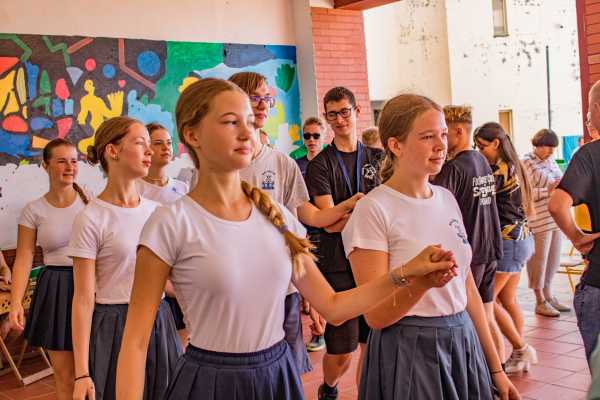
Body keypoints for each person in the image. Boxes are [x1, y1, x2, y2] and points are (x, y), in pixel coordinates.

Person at [113, 78, 458, 400]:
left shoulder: (276, 216)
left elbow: (334, 307)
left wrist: (408, 274)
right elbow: (136, 342)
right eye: (231, 122)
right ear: (192, 135)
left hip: (277, 374)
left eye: (250, 121)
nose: (247, 132)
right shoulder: (170, 223)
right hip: (211, 381)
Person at [345, 94, 520, 400]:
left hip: (461, 339)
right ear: (395, 145)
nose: (441, 145)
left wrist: (496, 369)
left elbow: (467, 288)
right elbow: (375, 315)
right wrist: (421, 284)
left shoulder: (446, 198)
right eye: (427, 137)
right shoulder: (374, 209)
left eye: (442, 134)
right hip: (410, 348)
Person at [229, 72, 360, 375]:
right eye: (254, 97)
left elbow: (307, 218)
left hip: (283, 287)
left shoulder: (282, 163)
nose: (263, 105)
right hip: (237, 286)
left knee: (286, 372)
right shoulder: (216, 166)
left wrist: (345, 207)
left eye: (267, 98)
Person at [68, 117, 181, 400]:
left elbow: (169, 280)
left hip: (159, 319)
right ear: (113, 150)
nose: (150, 151)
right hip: (113, 324)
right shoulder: (91, 218)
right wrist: (81, 372)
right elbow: (83, 299)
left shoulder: (157, 212)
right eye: (141, 143)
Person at [305, 86, 384, 399]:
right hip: (338, 265)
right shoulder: (320, 165)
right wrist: (360, 213)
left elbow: (387, 212)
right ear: (326, 118)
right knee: (343, 350)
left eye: (344, 112)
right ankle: (329, 387)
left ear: (357, 111)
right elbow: (328, 221)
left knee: (371, 343)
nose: (339, 119)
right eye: (332, 114)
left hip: (374, 260)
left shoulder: (379, 158)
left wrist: (345, 214)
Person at [8, 139, 89, 399]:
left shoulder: (92, 203)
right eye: (62, 161)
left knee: (94, 370)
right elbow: (24, 257)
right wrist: (16, 303)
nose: (70, 167)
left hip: (91, 286)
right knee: (65, 375)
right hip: (56, 290)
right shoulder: (34, 210)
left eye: (74, 161)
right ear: (45, 166)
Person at [431, 105, 507, 372]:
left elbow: (434, 209)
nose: (441, 140)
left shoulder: (453, 169)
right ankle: (499, 369)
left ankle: (479, 374)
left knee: (468, 320)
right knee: (486, 315)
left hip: (471, 252)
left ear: (460, 131)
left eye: (444, 133)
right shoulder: (481, 160)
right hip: (489, 247)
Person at [474, 122, 537, 374]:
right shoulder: (515, 165)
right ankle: (519, 352)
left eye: (482, 147)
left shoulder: (499, 171)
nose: (479, 152)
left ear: (496, 143)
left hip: (509, 242)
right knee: (507, 299)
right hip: (522, 239)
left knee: (487, 301)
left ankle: (521, 348)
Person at [549, 80, 600, 364]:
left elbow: (557, 205)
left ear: (598, 108)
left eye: (589, 112)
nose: (588, 119)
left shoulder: (590, 155)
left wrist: (578, 238)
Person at [137, 122, 189, 347]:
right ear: (146, 149)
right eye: (158, 143)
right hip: (150, 276)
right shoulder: (135, 189)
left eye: (168, 143)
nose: (166, 148)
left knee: (182, 347)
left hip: (181, 274)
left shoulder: (182, 188)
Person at [522, 129, 567, 317]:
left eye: (553, 148)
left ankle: (548, 295)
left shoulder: (550, 161)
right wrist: (547, 191)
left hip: (555, 218)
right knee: (538, 262)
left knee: (553, 260)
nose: (550, 151)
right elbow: (524, 193)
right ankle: (539, 300)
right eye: (548, 147)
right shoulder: (526, 162)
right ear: (537, 145)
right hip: (538, 220)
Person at [296, 117, 327, 353]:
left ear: (323, 136)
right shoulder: (296, 165)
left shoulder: (329, 162)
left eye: (316, 135)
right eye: (307, 136)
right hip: (305, 231)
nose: (311, 140)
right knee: (310, 283)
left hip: (330, 230)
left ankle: (330, 328)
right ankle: (318, 331)